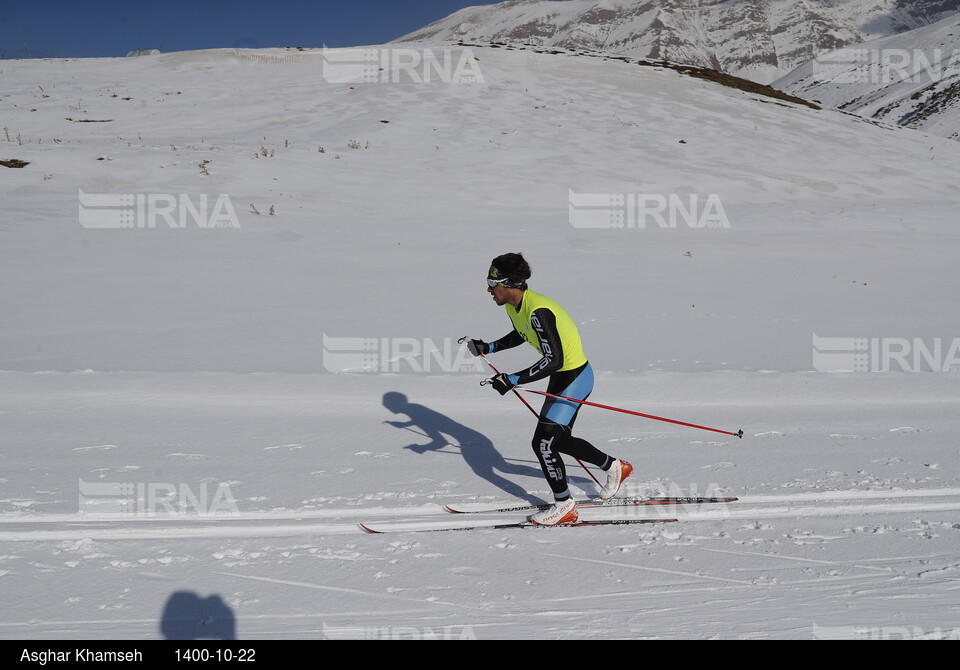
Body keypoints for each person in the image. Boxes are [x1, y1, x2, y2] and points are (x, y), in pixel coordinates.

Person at [466, 252, 632, 525]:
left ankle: (564, 505)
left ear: (508, 285)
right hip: (562, 377)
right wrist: (489, 347)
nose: (488, 289)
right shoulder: (513, 305)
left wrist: (513, 379)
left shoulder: (538, 310)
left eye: (492, 282)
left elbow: (554, 360)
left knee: (543, 443)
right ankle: (614, 466)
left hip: (575, 377)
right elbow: (522, 333)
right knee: (557, 440)